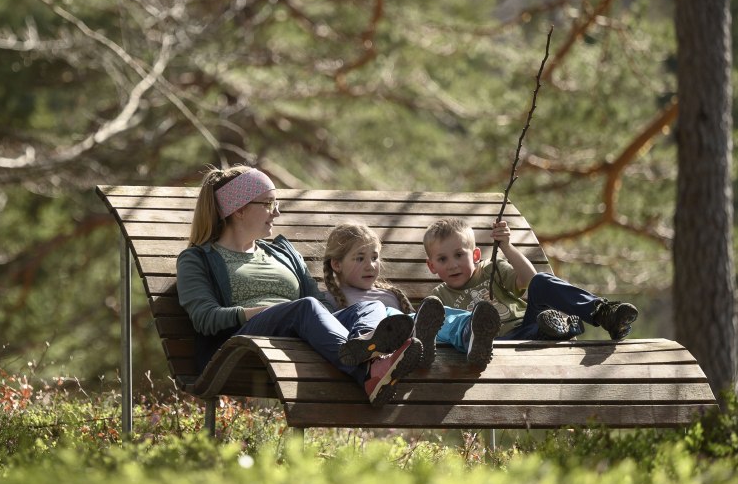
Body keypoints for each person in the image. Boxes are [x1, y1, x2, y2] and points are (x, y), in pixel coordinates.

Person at [176, 165, 424, 407]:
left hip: (299, 328)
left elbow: (320, 305)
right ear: (240, 210)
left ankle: (365, 351)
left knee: (370, 307)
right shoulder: (198, 259)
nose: (277, 213)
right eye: (269, 204)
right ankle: (367, 372)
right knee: (305, 307)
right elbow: (205, 318)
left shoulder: (283, 253)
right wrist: (265, 311)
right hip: (240, 343)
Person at [423, 218, 639, 341]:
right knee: (542, 327)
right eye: (442, 259)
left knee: (541, 281)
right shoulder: (438, 298)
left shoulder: (491, 269)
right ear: (432, 266)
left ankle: (602, 312)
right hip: (495, 344)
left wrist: (506, 247)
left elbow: (528, 279)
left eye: (459, 255)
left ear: (476, 255)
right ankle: (558, 328)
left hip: (527, 324)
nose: (452, 264)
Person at [322, 223, 501, 367]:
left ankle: (468, 331)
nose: (371, 265)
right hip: (379, 347)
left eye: (375, 257)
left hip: (410, 335)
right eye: (360, 258)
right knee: (394, 317)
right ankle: (419, 343)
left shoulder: (389, 293)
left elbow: (425, 323)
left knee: (431, 316)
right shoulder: (330, 299)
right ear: (337, 264)